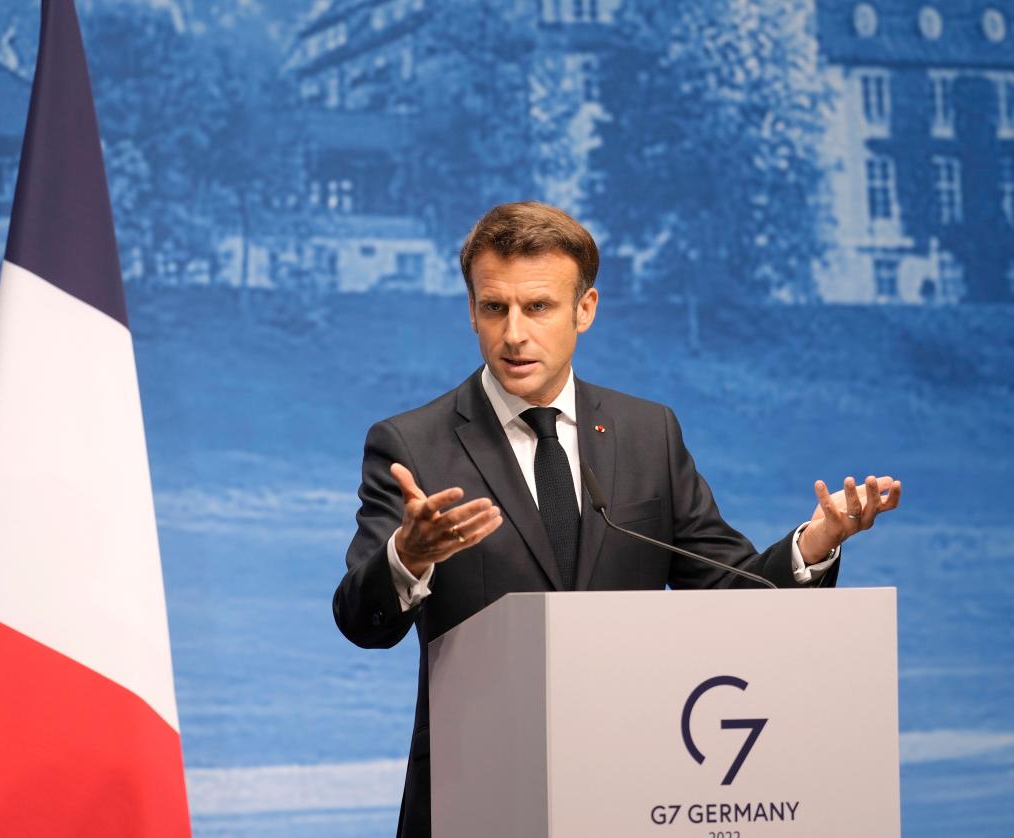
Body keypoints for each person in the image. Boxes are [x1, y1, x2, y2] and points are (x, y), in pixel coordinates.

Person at [331, 201, 901, 838]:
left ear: (585, 310)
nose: (513, 333)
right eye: (495, 307)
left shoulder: (646, 433)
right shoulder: (414, 446)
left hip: (633, 790)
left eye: (538, 307)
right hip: (477, 795)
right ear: (472, 311)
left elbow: (730, 590)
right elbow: (362, 620)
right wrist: (408, 557)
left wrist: (816, 543)